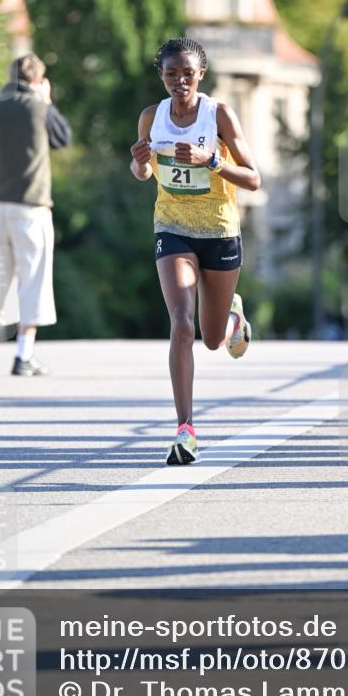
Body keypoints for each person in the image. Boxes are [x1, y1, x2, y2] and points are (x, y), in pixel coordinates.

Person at [130, 37, 261, 465]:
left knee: (211, 339)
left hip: (220, 231)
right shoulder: (151, 117)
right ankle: (185, 429)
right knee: (181, 325)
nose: (179, 81)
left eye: (187, 73)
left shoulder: (218, 114)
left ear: (200, 74)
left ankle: (233, 317)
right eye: (171, 74)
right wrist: (139, 163)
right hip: (173, 227)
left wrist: (212, 161)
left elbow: (254, 178)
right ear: (162, 76)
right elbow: (144, 173)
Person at [0, 53, 72, 376]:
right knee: (34, 278)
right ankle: (23, 355)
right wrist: (47, 101)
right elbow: (63, 138)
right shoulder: (39, 108)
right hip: (31, 206)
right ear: (39, 79)